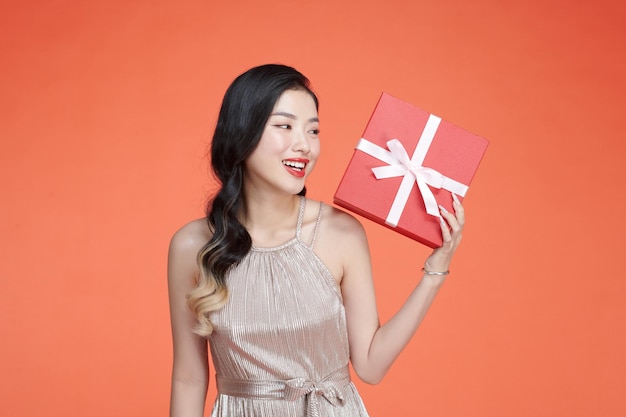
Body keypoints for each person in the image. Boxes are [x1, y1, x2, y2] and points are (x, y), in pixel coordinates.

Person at [167, 64, 464, 417]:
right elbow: (189, 377)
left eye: (313, 130)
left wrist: (436, 268)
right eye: (285, 126)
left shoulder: (341, 233)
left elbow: (370, 365)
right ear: (242, 133)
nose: (304, 145)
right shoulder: (192, 245)